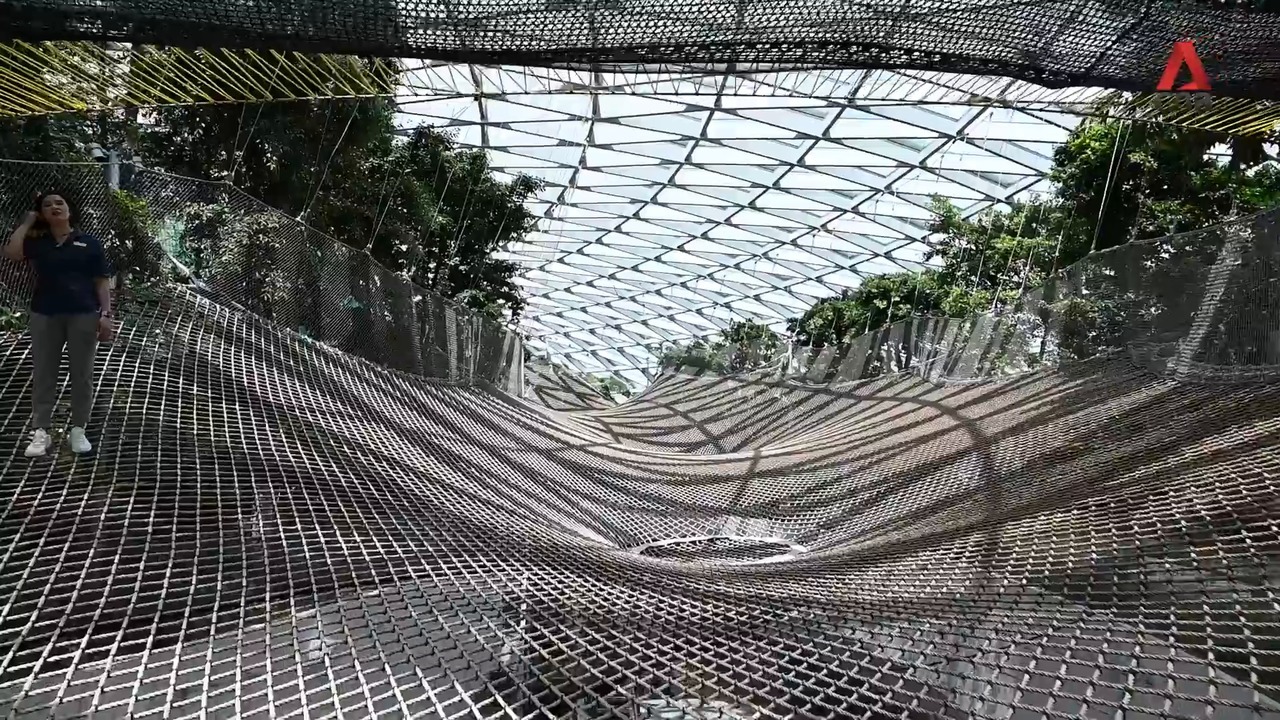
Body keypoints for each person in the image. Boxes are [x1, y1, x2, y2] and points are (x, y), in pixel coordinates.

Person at [3, 191, 115, 457]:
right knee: (43, 373)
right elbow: (12, 253)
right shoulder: (38, 242)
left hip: (83, 314)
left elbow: (101, 281)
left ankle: (78, 430)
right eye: (47, 205)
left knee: (82, 374)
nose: (54, 206)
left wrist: (106, 315)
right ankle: (41, 432)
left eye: (59, 203)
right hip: (45, 314)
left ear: (69, 209)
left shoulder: (89, 243)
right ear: (42, 213)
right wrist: (27, 222)